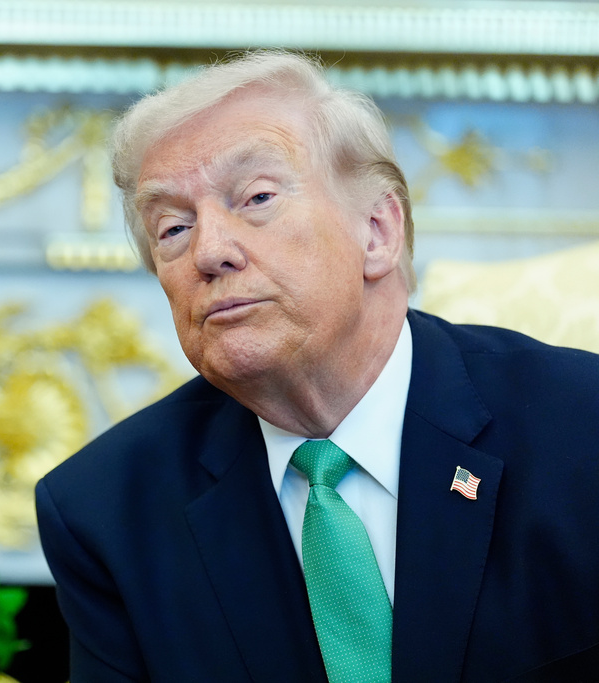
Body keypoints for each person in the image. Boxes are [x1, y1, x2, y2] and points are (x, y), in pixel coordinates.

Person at [34, 51, 599, 682]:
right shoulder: (106, 512)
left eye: (257, 197)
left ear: (378, 231)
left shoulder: (581, 427)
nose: (209, 252)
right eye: (173, 228)